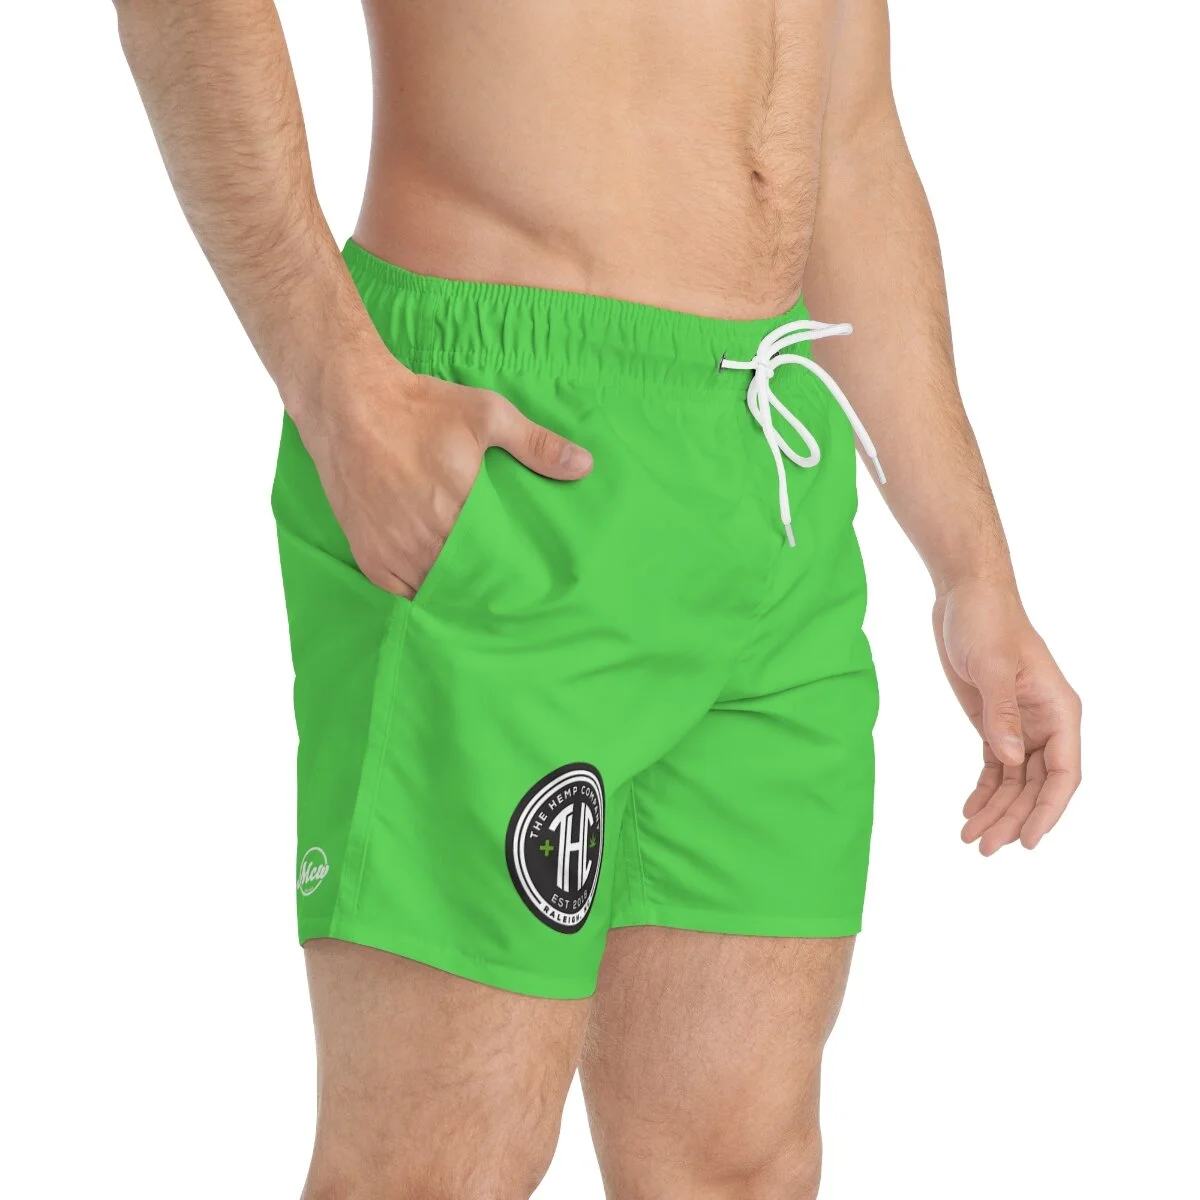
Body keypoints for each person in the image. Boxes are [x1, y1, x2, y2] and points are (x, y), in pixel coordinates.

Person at [114, 1, 1083, 1195]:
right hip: (505, 437)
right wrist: (335, 383)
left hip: (769, 465)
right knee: (437, 1167)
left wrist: (973, 568)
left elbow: (846, 136)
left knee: (738, 1164)